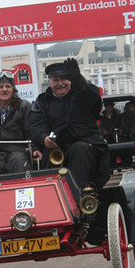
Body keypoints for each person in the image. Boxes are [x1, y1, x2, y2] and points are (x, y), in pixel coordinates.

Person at [28, 58, 109, 197]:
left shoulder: (82, 94)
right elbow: (36, 124)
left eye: (64, 80)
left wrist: (78, 79)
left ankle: (77, 196)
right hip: (55, 145)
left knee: (80, 149)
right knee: (49, 155)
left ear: (70, 80)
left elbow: (93, 100)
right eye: (56, 80)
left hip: (83, 143)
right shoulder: (42, 101)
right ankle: (51, 196)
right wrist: (43, 138)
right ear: (50, 82)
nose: (60, 84)